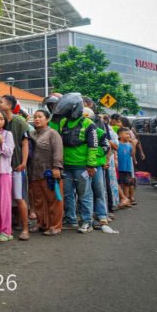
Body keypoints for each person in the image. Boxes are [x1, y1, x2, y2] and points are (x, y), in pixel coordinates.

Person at [53, 93, 97, 233]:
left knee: (84, 194)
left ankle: (86, 221)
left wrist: (91, 165)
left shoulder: (88, 123)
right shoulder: (63, 122)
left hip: (82, 167)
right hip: (66, 166)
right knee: (67, 194)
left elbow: (93, 146)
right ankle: (71, 219)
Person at [0, 94, 30, 241]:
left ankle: (25, 228)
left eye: (1, 102)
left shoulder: (19, 121)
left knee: (19, 197)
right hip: (3, 166)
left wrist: (23, 162)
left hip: (16, 165)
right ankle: (5, 226)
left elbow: (25, 143)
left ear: (9, 106)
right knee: (4, 199)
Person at [28, 109, 64, 235]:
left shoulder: (52, 133)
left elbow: (58, 151)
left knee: (53, 200)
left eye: (40, 117)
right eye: (35, 117)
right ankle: (41, 223)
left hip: (49, 173)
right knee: (38, 201)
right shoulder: (31, 134)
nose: (37, 119)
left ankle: (55, 226)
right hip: (34, 173)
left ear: (47, 119)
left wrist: (56, 167)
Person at [0, 111, 15, 241]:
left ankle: (6, 231)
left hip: (4, 172)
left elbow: (9, 152)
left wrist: (1, 143)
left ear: (5, 121)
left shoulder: (8, 134)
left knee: (4, 202)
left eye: (1, 118)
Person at [85, 108, 110, 228]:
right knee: (86, 192)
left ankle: (101, 214)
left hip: (97, 166)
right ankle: (88, 215)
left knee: (99, 190)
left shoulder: (100, 132)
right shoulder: (79, 132)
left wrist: (92, 153)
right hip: (83, 165)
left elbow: (106, 147)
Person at [117, 128, 136, 208]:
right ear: (120, 135)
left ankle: (127, 199)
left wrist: (134, 145)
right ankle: (123, 199)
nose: (128, 135)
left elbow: (132, 154)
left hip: (127, 167)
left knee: (127, 184)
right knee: (120, 184)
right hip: (119, 167)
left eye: (129, 134)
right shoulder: (117, 144)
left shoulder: (129, 144)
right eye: (126, 134)